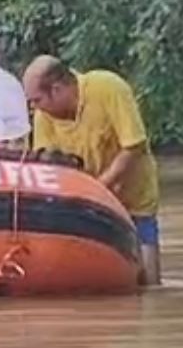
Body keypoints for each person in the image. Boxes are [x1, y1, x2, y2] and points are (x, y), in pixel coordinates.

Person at [22, 56, 162, 286]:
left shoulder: (107, 88)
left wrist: (99, 188)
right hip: (87, 203)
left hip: (133, 196)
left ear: (57, 90)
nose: (33, 108)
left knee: (150, 281)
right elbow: (49, 167)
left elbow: (134, 145)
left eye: (37, 100)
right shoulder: (43, 117)